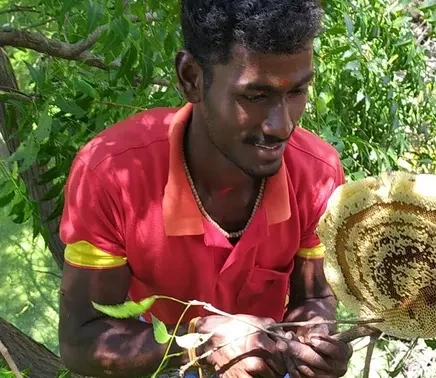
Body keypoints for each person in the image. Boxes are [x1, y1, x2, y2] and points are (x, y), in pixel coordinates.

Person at [57, 0, 353, 377]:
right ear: (191, 77)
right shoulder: (110, 175)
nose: (282, 126)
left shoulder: (318, 173)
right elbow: (80, 340)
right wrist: (198, 343)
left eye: (296, 92)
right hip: (162, 360)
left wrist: (315, 336)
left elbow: (313, 295)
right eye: (256, 96)